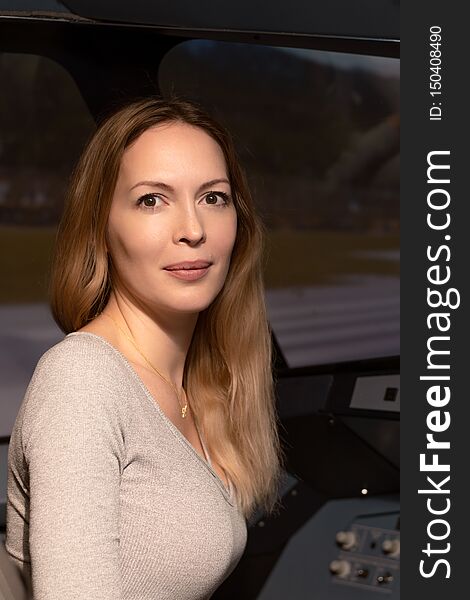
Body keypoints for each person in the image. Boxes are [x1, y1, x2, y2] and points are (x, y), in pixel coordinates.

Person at [5, 96, 285, 599]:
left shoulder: (199, 380)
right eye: (151, 200)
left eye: (213, 197)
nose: (193, 230)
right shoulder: (83, 380)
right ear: (101, 229)